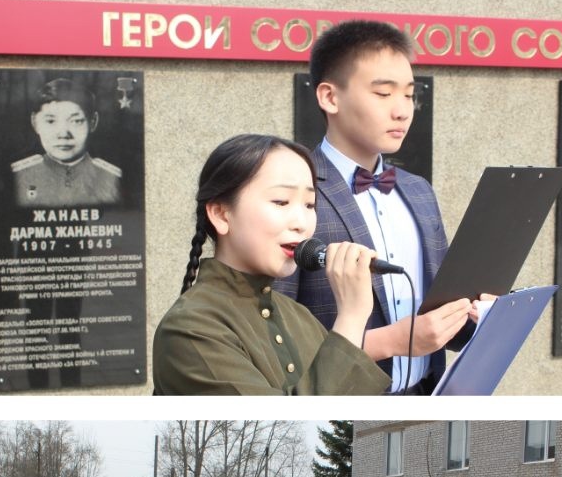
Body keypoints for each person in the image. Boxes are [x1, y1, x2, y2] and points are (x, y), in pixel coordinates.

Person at [275, 20, 479, 394]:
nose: (402, 111)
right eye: (383, 94)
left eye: (408, 95)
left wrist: (472, 316)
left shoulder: (419, 192)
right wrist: (392, 341)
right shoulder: (292, 193)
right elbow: (274, 344)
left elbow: (444, 315)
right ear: (329, 97)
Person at [153, 134, 393, 396]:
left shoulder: (299, 316)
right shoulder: (189, 329)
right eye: (281, 202)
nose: (301, 222)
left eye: (310, 204)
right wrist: (351, 317)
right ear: (221, 214)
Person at [12, 80, 121, 207]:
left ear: (93, 122)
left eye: (76, 121)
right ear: (35, 122)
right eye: (51, 121)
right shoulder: (18, 177)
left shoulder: (112, 178)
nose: (63, 134)